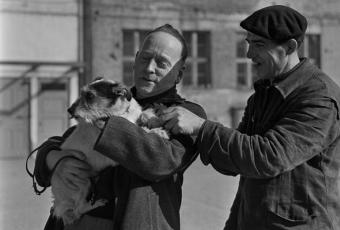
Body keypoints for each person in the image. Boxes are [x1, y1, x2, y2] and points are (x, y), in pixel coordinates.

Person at [159, 5, 340, 230]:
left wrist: (201, 128)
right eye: (248, 43)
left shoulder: (319, 96)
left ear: (290, 46)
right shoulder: (263, 95)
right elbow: (240, 163)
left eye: (259, 45)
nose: (248, 54)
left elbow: (269, 157)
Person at [32, 24, 206, 230]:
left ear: (178, 74)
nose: (149, 68)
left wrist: (107, 121)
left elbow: (159, 161)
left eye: (161, 63)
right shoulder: (108, 98)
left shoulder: (186, 114)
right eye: (144, 58)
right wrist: (54, 158)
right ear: (135, 61)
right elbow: (68, 140)